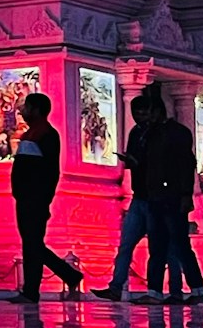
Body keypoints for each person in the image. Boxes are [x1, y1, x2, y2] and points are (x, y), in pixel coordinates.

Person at [9, 92, 83, 301]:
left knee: (32, 243)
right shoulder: (31, 134)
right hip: (25, 197)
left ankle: (36, 289)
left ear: (36, 110)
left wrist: (43, 198)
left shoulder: (46, 135)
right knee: (31, 243)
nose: (23, 111)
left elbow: (50, 172)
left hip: (35, 198)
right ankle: (56, 279)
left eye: (27, 107)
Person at [92, 86, 162, 300]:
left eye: (144, 112)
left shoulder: (158, 134)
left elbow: (161, 164)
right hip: (139, 195)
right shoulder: (135, 133)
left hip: (155, 196)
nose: (140, 116)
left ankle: (155, 290)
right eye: (136, 113)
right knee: (125, 244)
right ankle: (115, 286)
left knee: (157, 246)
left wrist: (138, 163)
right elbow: (134, 161)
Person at [140, 98, 203, 301]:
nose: (147, 118)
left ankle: (197, 288)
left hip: (173, 195)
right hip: (156, 196)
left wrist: (186, 193)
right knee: (157, 244)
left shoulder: (176, 133)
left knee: (179, 243)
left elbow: (186, 164)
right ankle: (155, 291)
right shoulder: (150, 134)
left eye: (149, 113)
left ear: (159, 112)